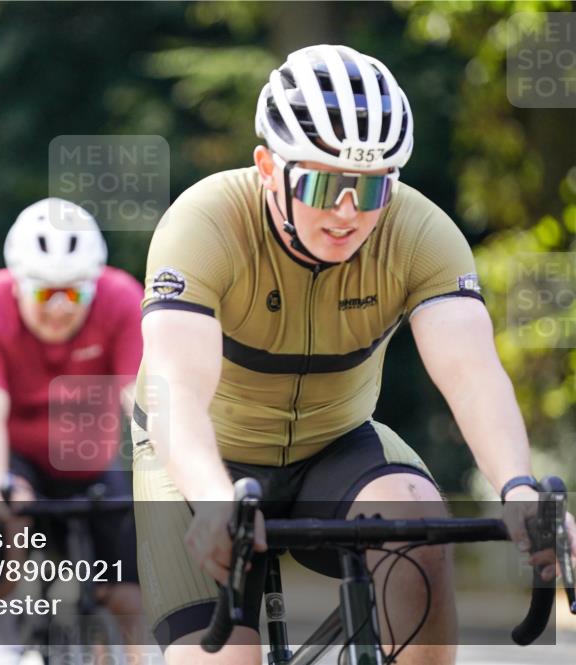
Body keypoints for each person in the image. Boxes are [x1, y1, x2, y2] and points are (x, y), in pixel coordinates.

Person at [131, 44, 576, 665]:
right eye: (322, 183)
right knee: (224, 658)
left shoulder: (420, 232)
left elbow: (472, 374)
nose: (347, 212)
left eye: (371, 189)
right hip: (200, 457)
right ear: (267, 167)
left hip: (333, 443)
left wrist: (519, 488)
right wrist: (211, 498)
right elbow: (176, 390)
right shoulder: (204, 223)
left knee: (418, 524)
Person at [0, 198, 144, 652]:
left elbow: (145, 404)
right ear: (17, 285)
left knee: (131, 587)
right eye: (43, 293)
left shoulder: (122, 299)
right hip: (7, 448)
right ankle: (4, 633)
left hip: (85, 456)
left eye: (73, 293)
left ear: (94, 286)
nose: (58, 308)